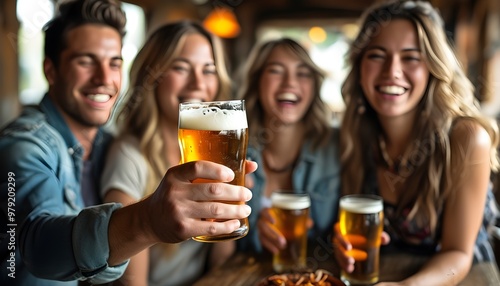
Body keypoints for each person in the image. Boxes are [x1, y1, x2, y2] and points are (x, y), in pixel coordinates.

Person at [0, 1, 255, 285]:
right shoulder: (24, 148)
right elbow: (37, 247)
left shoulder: (104, 143)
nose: (104, 78)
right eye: (86, 61)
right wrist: (145, 221)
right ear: (51, 70)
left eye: (114, 63)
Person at [334, 0, 500, 285]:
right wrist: (342, 244)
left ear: (433, 67)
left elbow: (459, 253)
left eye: (411, 57)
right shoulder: (354, 135)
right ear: (359, 66)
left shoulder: (468, 138)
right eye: (376, 55)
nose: (392, 71)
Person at [100, 20, 234, 285]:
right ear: (152, 77)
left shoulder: (212, 150)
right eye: (181, 67)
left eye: (208, 70)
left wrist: (230, 213)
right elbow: (130, 281)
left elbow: (220, 263)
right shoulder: (129, 157)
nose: (198, 83)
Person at [235, 38, 341, 254]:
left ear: (314, 85)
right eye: (276, 71)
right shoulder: (232, 150)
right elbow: (220, 249)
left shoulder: (338, 147)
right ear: (257, 81)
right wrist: (257, 235)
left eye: (302, 73)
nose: (289, 83)